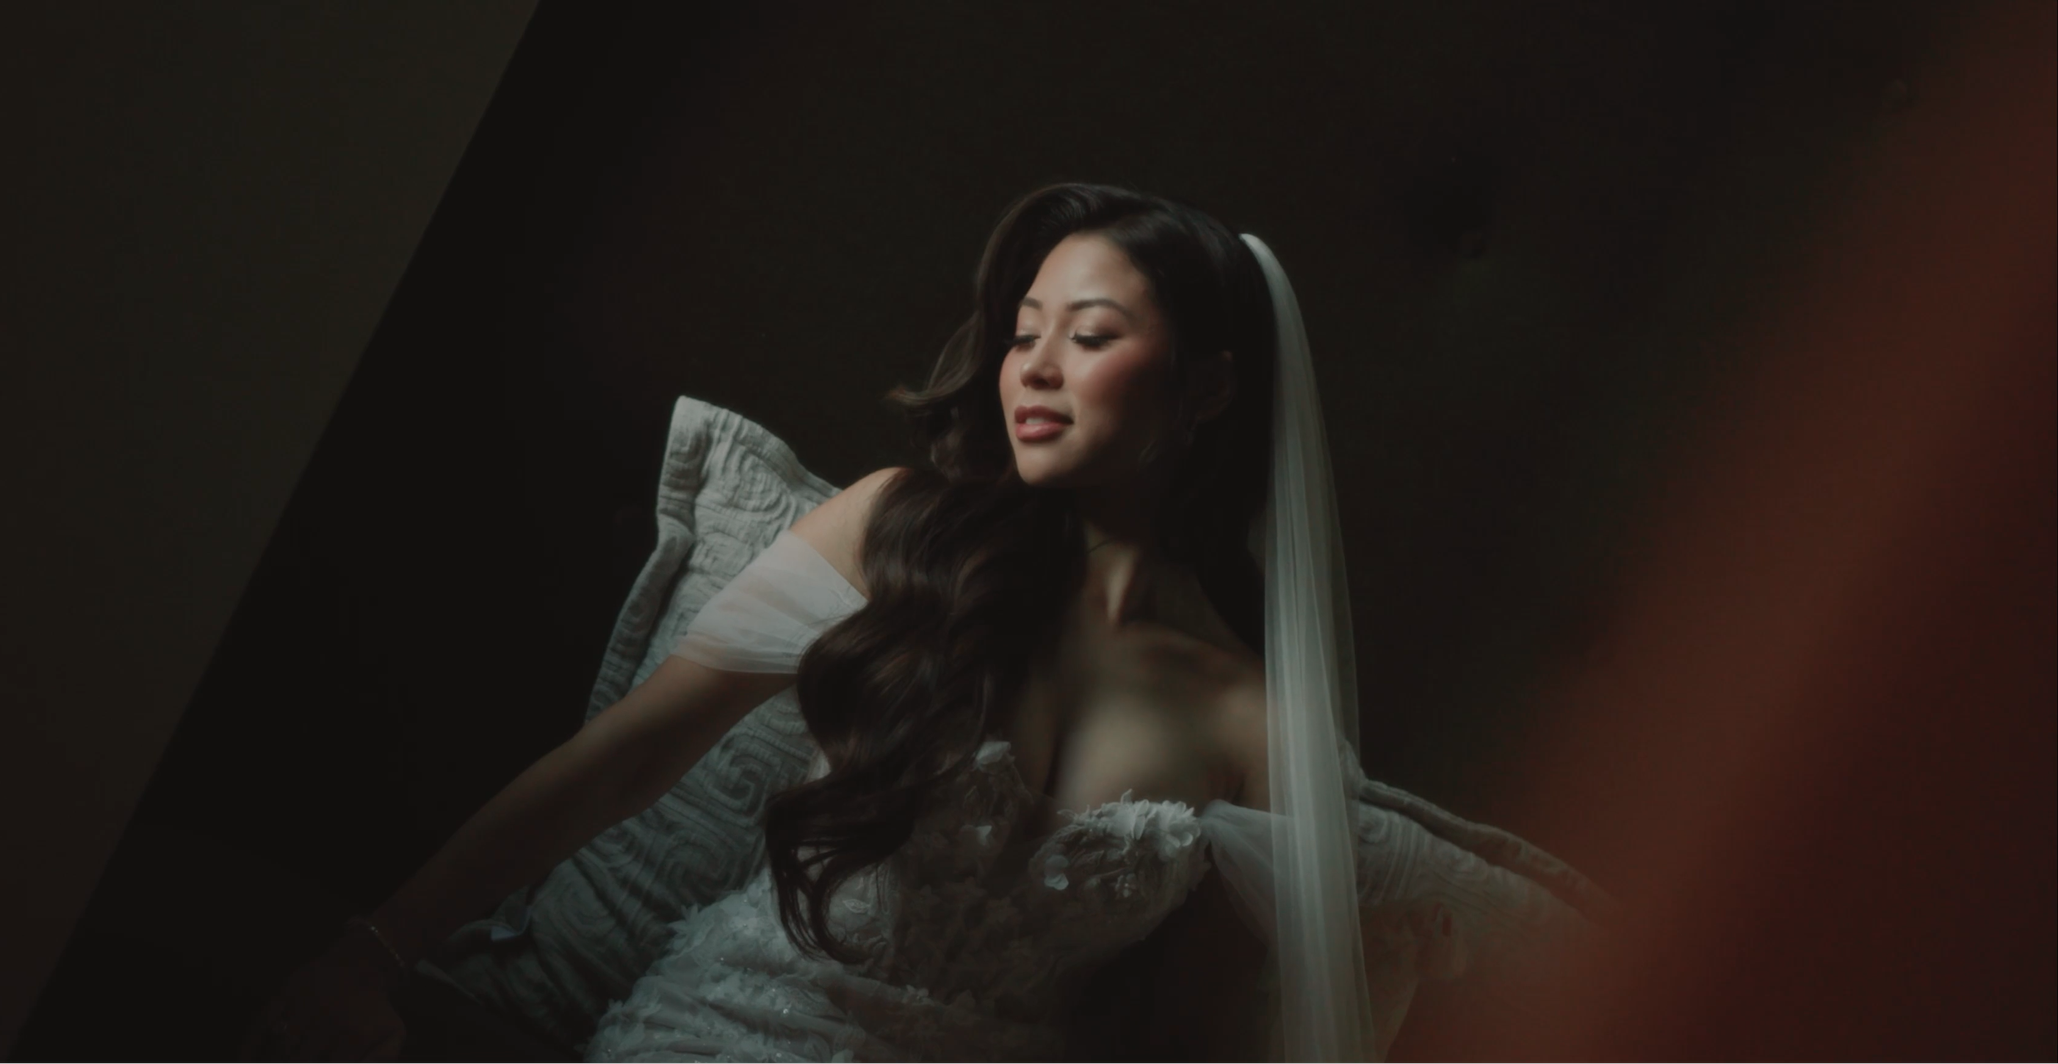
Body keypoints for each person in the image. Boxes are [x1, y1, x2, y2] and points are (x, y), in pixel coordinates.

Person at [247, 183, 1592, 1063]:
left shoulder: (1248, 715)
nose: (1037, 368)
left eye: (1092, 334)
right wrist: (372, 954)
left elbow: (1178, 1040)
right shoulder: (900, 531)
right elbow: (629, 757)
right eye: (1022, 333)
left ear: (1208, 390)